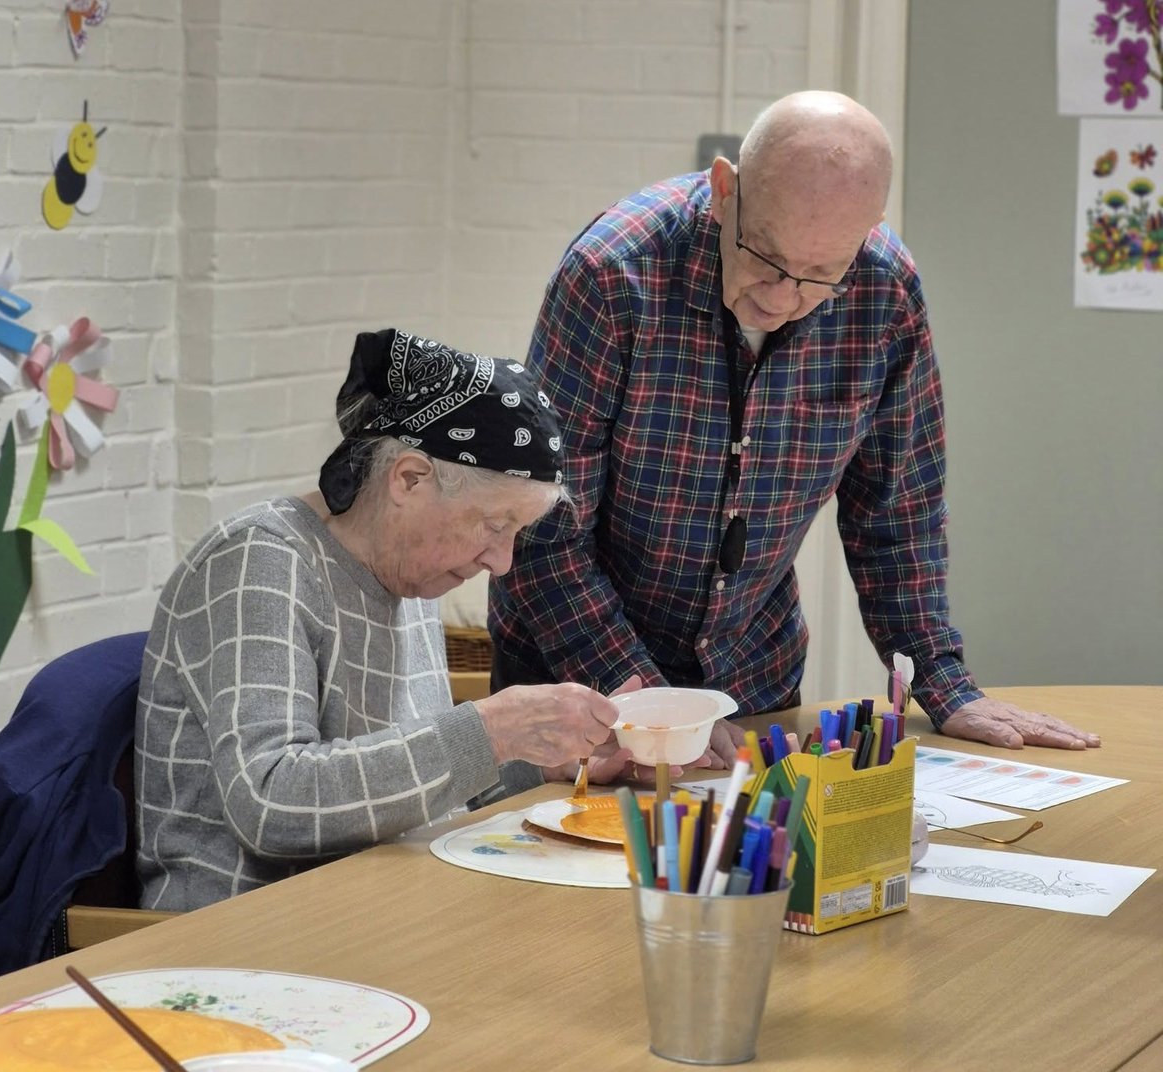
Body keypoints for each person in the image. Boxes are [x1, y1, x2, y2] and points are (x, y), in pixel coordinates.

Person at [489, 90, 1099, 767]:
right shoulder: (612, 275)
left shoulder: (885, 293)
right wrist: (653, 706)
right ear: (726, 191)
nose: (781, 298)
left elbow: (897, 513)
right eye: (765, 257)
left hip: (751, 680)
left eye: (819, 276)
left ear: (865, 234)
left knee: (752, 841)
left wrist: (944, 683)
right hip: (577, 679)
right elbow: (540, 522)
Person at [135, 328, 630, 912]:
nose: (501, 562)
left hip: (378, 905)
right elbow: (270, 802)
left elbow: (407, 790)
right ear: (409, 478)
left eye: (515, 534)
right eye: (494, 526)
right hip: (245, 927)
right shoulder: (260, 560)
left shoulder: (411, 574)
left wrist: (542, 759)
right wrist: (491, 730)